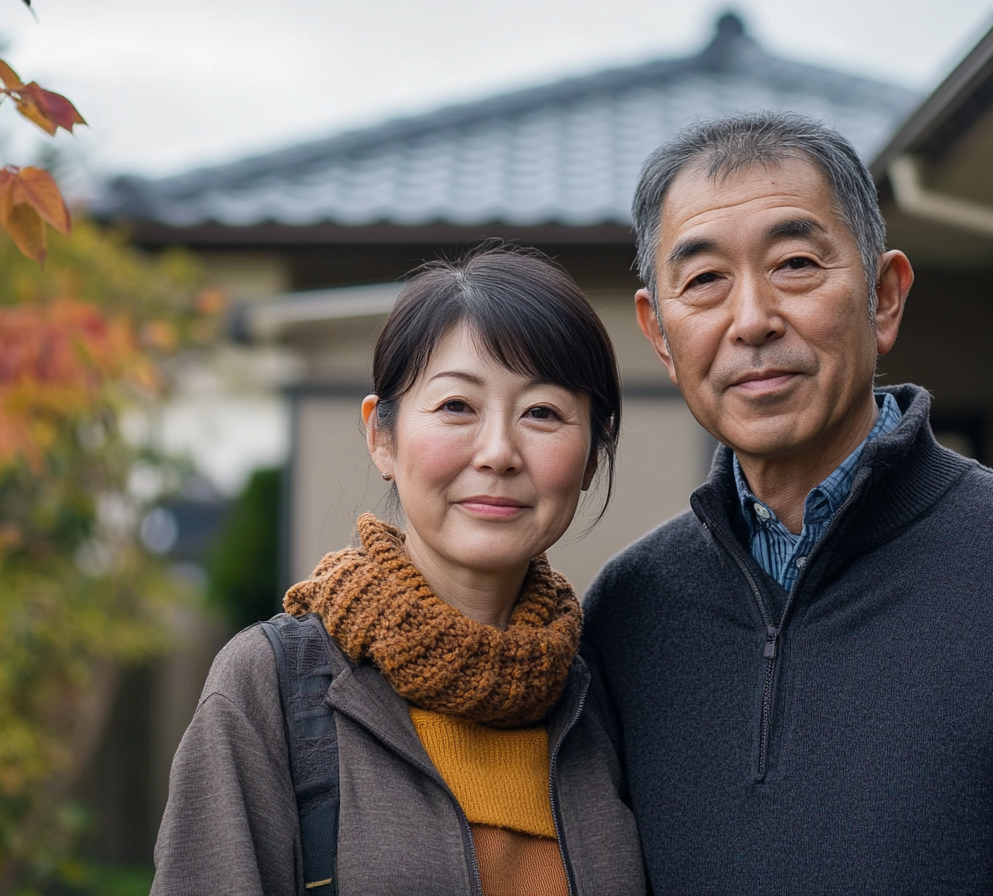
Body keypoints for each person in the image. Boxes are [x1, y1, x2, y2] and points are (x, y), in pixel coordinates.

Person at [581, 111, 993, 894]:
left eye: (796, 264)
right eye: (705, 280)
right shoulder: (629, 610)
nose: (751, 320)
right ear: (661, 336)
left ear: (883, 297)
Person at [152, 246, 646, 896]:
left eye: (542, 413)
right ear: (381, 437)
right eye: (456, 407)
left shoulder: (601, 697)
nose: (498, 452)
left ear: (590, 459)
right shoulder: (273, 688)